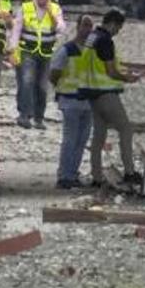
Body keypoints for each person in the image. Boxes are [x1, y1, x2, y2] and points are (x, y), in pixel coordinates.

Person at [75, 8, 142, 187]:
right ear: (112, 24)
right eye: (118, 28)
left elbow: (94, 65)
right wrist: (128, 78)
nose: (117, 32)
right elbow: (110, 71)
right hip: (105, 94)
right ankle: (129, 172)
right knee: (126, 129)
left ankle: (97, 177)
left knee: (99, 136)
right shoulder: (106, 40)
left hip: (91, 93)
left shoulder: (92, 37)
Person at [9, 0, 64, 130]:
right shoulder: (26, 8)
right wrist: (13, 51)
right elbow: (16, 30)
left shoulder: (55, 9)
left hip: (45, 54)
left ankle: (39, 118)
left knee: (42, 86)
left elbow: (60, 28)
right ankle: (24, 115)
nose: (42, 2)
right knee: (27, 81)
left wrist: (51, 14)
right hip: (28, 50)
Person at [50, 15, 94, 189]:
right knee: (70, 139)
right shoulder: (67, 50)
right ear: (78, 26)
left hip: (88, 102)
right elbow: (54, 73)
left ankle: (72, 174)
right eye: (85, 25)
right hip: (71, 101)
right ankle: (65, 176)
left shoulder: (92, 52)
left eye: (90, 26)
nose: (88, 29)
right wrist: (64, 88)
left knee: (81, 140)